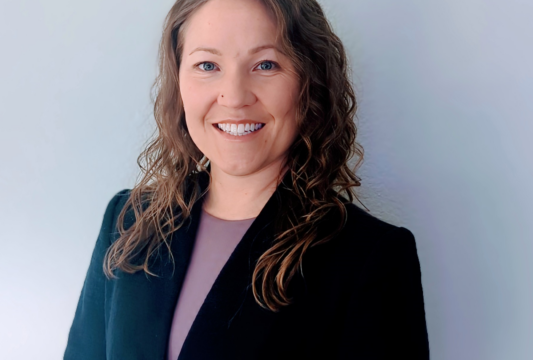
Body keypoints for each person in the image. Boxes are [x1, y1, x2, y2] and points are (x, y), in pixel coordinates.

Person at [64, 0, 429, 359]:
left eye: (265, 64)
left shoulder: (371, 257)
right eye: (207, 65)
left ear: (308, 82)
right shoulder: (127, 221)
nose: (234, 96)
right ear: (179, 83)